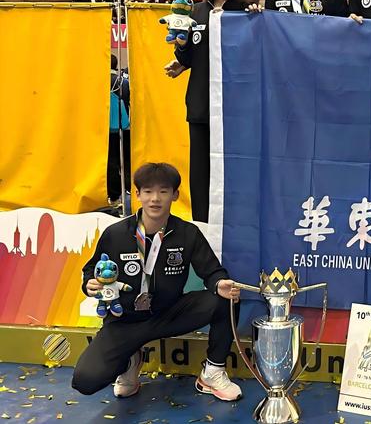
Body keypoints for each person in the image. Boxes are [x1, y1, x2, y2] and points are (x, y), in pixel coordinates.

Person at [71, 163, 243, 401]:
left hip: (169, 313)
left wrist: (219, 283)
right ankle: (130, 361)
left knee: (226, 299)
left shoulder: (187, 233)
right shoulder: (116, 234)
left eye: (163, 191)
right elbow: (92, 270)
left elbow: (212, 271)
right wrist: (89, 284)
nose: (155, 199)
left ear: (175, 195)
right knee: (85, 381)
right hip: (124, 321)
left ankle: (212, 372)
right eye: (148, 191)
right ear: (137, 194)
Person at [163, 0, 259, 222]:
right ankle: (203, 226)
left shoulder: (245, 12)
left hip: (237, 109)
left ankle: (239, 225)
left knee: (236, 170)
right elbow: (188, 55)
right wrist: (181, 53)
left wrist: (256, 15)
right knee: (201, 173)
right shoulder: (196, 13)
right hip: (201, 107)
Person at [107, 54, 131, 207]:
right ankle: (127, 188)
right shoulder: (123, 82)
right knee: (125, 160)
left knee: (110, 161)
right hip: (123, 125)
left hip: (105, 129)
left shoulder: (97, 81)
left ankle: (113, 195)